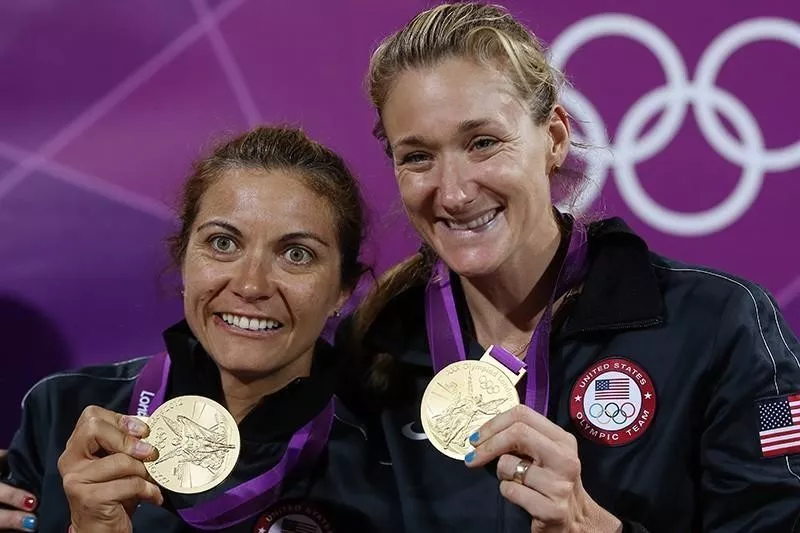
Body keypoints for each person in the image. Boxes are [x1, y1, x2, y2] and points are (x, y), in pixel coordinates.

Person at [340, 3, 800, 533]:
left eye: (483, 143)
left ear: (554, 137)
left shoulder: (718, 326)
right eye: (418, 156)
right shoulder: (374, 347)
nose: (455, 191)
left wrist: (596, 528)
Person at [2, 126, 401, 533]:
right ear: (183, 256)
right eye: (224, 243)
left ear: (342, 290)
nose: (250, 286)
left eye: (296, 254)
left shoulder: (387, 467)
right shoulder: (61, 412)